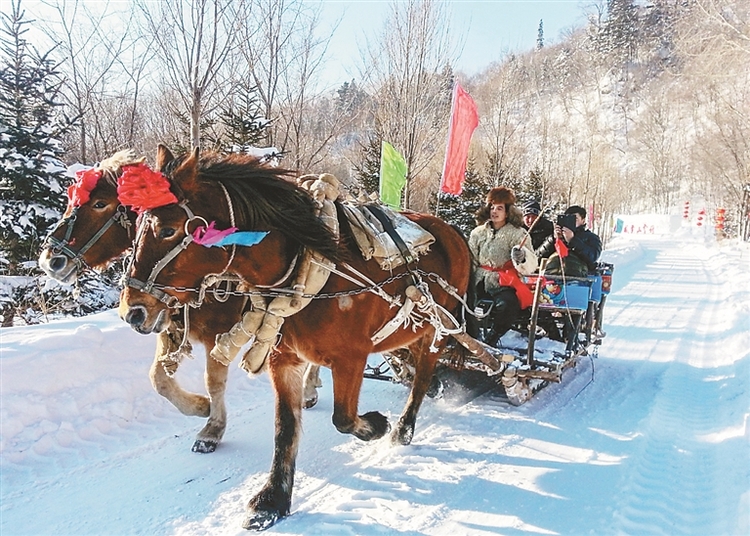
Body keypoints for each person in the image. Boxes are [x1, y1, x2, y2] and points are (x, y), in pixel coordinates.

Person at [468, 187, 538, 346]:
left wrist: (522, 257)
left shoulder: (518, 233)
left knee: (507, 305)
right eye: (492, 207)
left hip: (503, 282)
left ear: (508, 211)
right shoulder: (477, 233)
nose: (494, 211)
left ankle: (491, 339)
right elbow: (471, 258)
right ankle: (468, 337)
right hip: (479, 279)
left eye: (499, 208)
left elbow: (532, 262)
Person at [540, 205, 602, 277]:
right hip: (551, 277)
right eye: (568, 218)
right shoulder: (555, 235)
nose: (571, 222)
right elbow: (539, 256)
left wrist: (572, 240)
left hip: (579, 279)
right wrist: (553, 239)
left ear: (583, 220)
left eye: (574, 219)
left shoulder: (591, 237)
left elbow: (593, 257)